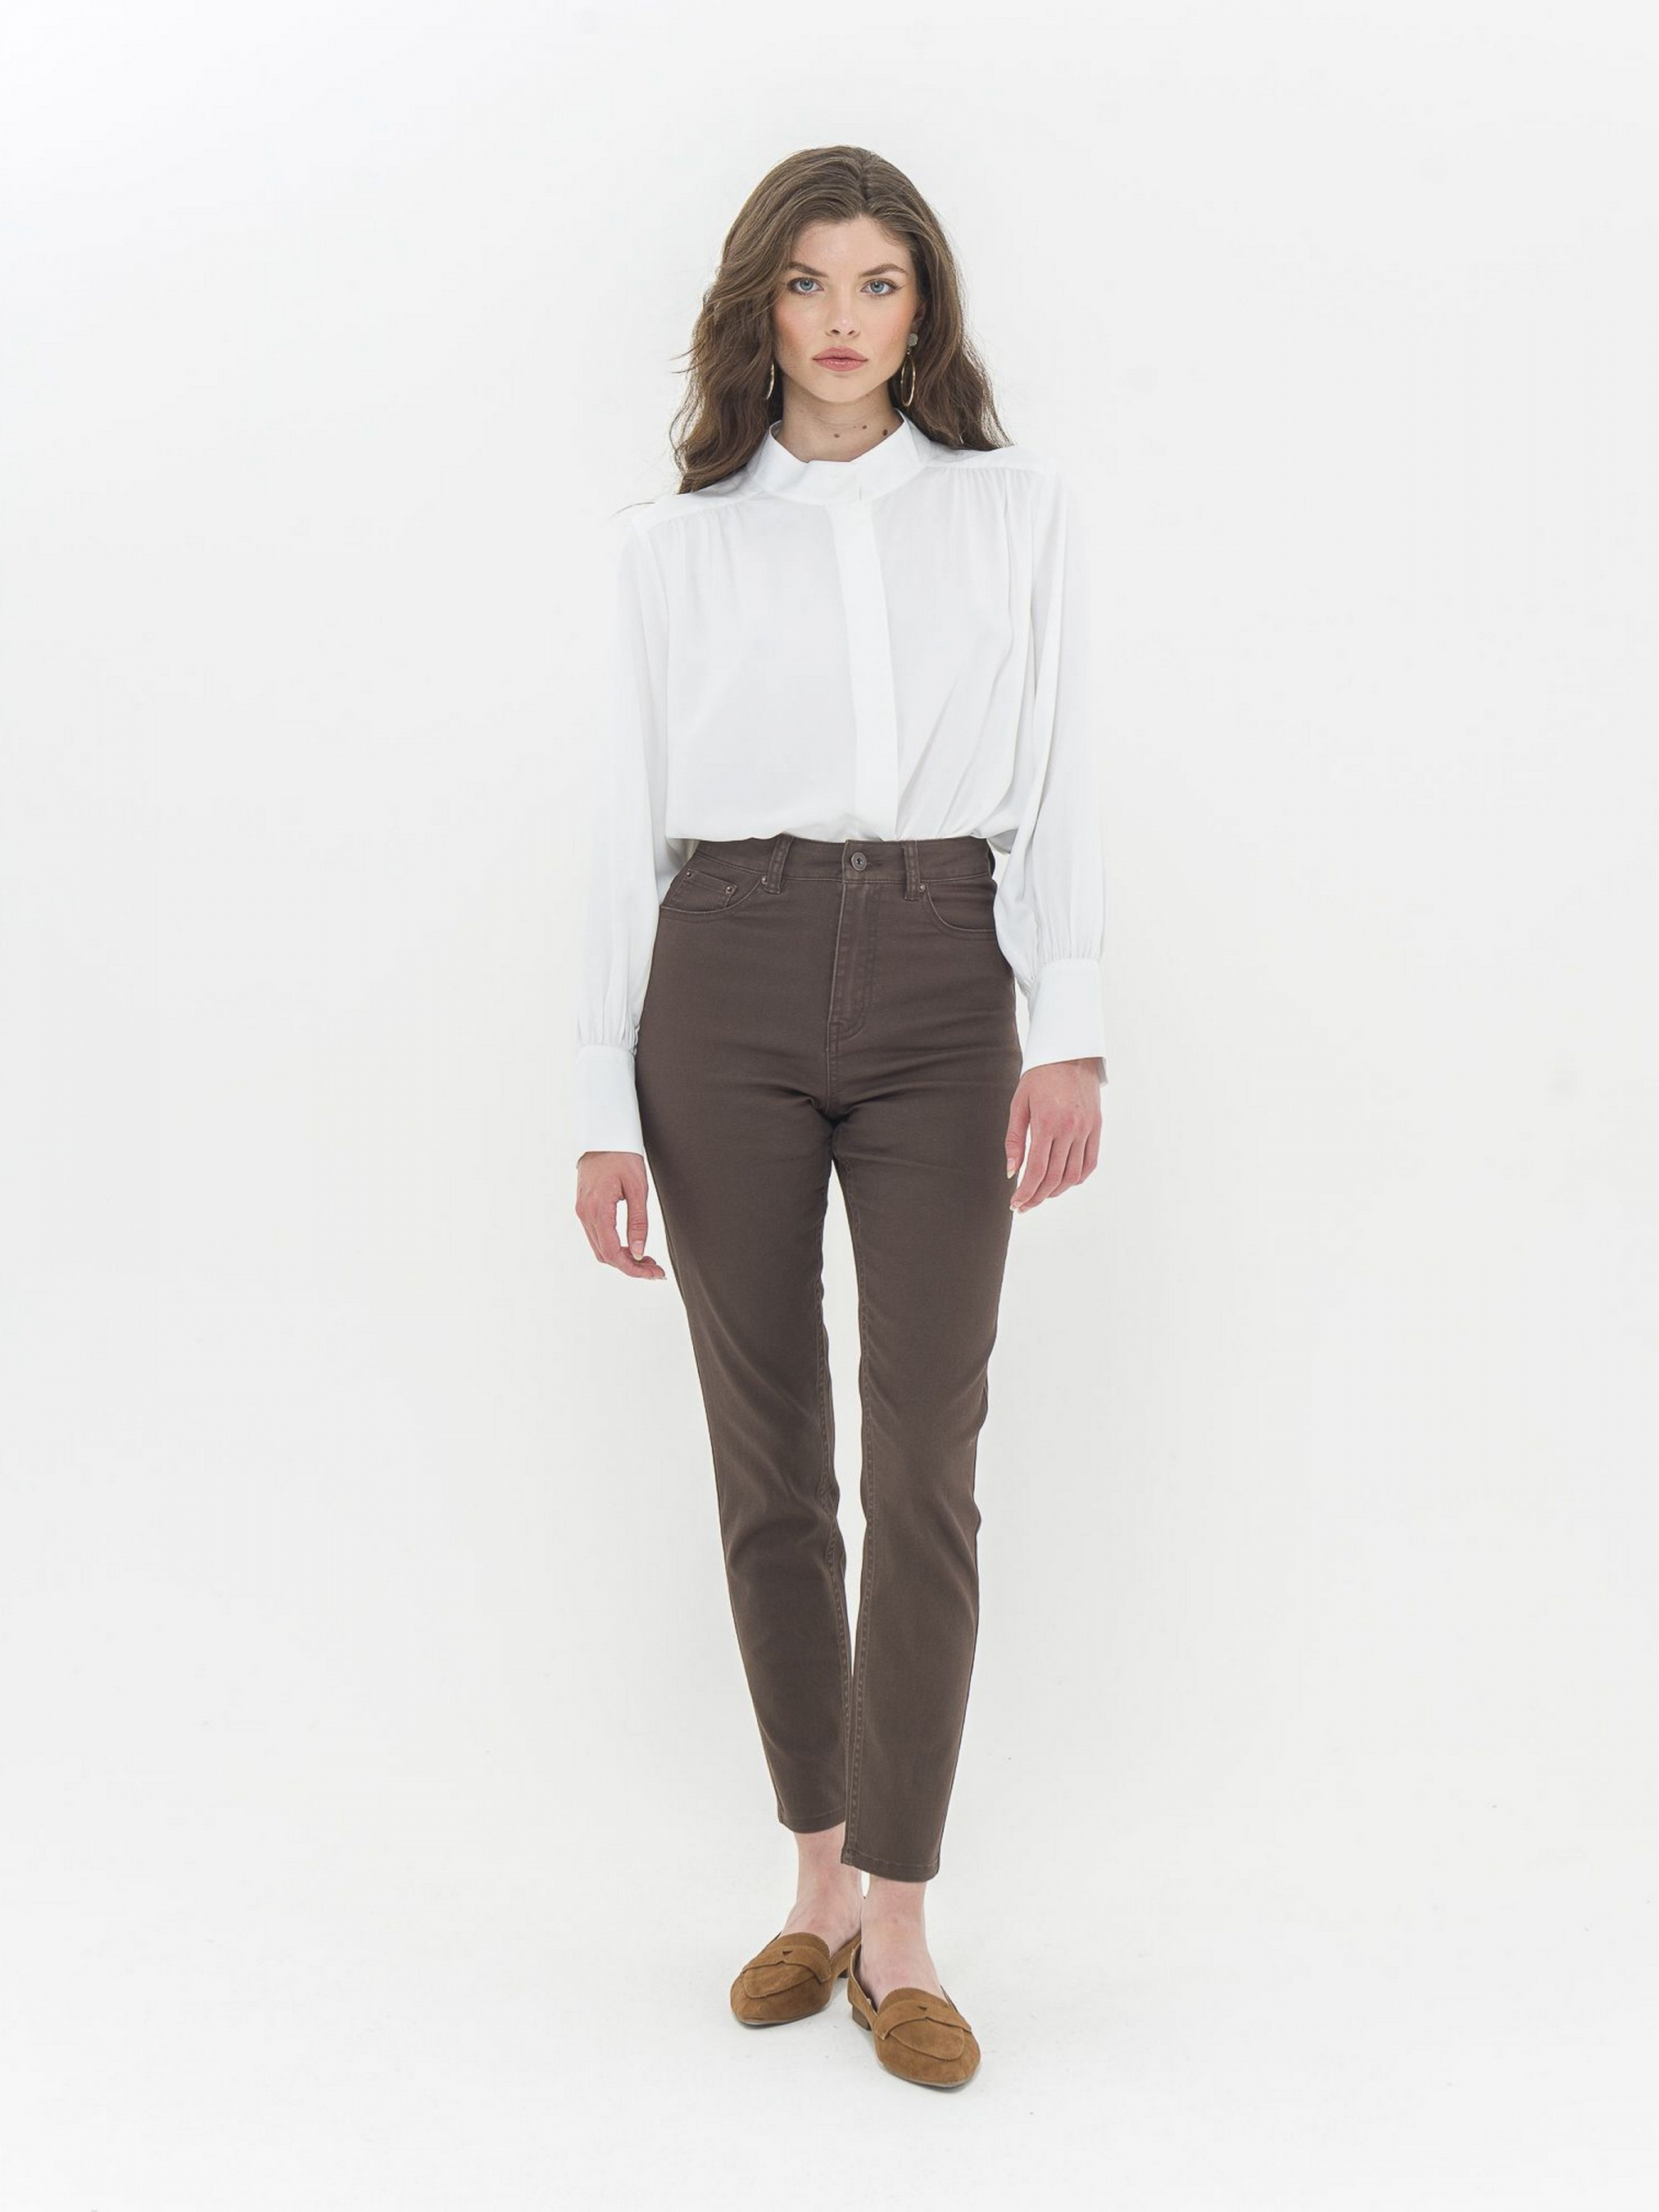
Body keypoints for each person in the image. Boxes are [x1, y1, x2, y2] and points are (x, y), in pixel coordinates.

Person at [572, 145, 1107, 2091]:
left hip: (944, 977)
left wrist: (1070, 1029)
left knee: (924, 1450)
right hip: (717, 972)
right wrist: (598, 1101)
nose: (841, 321)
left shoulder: (1012, 512)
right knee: (767, 1453)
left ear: (922, 309)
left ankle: (901, 1911)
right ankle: (810, 1877)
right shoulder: (673, 545)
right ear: (759, 307)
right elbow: (617, 830)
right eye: (807, 284)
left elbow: (1060, 775)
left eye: (878, 284)